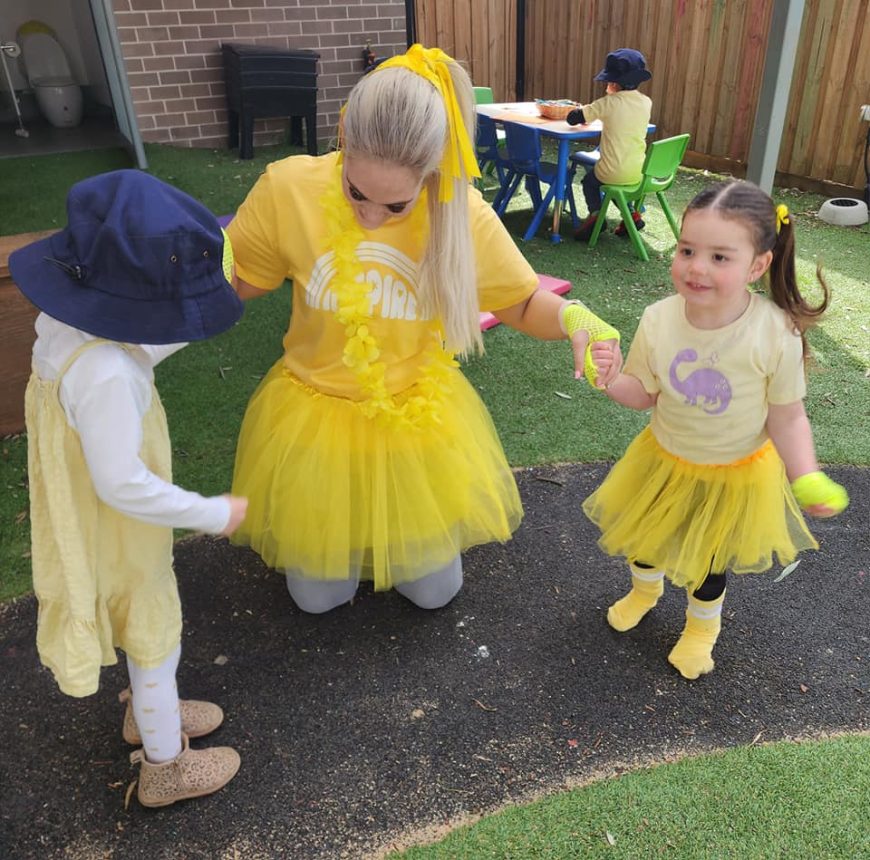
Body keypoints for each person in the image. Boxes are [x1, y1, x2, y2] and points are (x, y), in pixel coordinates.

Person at [226, 44, 619, 615]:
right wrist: (198, 268)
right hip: (314, 411)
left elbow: (522, 303)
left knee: (436, 594)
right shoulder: (289, 188)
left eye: (396, 205)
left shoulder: (459, 211)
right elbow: (241, 280)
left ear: (432, 176)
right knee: (316, 600)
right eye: (356, 193)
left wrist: (576, 317)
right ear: (342, 140)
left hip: (416, 415)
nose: (369, 217)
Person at [10, 170, 249, 807]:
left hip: (85, 504)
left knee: (135, 624)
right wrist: (209, 511)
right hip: (116, 518)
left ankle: (147, 710)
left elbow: (135, 346)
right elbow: (121, 482)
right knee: (153, 630)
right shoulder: (107, 376)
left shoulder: (70, 324)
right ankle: (166, 766)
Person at [583, 180, 849, 679]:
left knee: (708, 562)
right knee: (645, 539)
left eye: (719, 257)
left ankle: (702, 629)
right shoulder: (658, 319)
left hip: (733, 474)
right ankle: (645, 590)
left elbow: (787, 416)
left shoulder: (775, 332)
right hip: (663, 458)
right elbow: (645, 394)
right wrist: (611, 378)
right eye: (687, 249)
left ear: (757, 265)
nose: (696, 267)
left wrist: (805, 474)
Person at [565, 48, 652, 241]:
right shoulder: (646, 102)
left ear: (613, 82)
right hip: (638, 171)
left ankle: (596, 217)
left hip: (612, 171)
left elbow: (573, 118)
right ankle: (631, 216)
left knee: (591, 181)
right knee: (616, 183)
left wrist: (578, 110)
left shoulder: (609, 103)